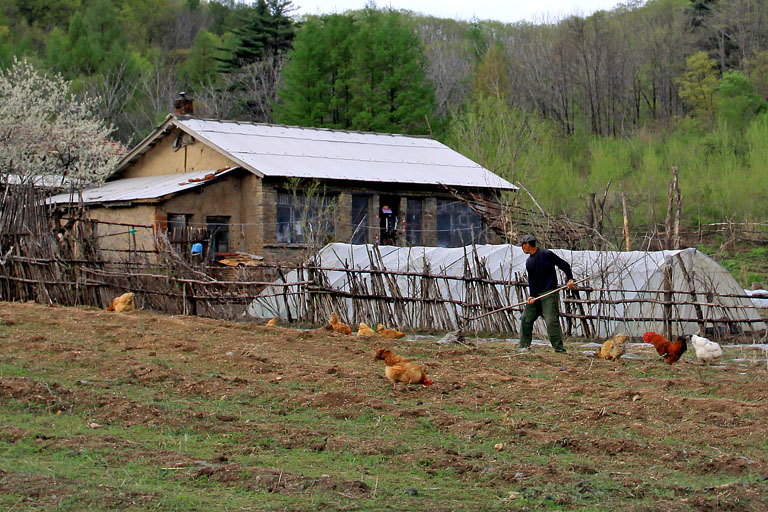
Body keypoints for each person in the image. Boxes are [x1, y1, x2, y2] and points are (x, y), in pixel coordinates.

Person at [518, 234, 575, 353]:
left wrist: (570, 279)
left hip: (549, 293)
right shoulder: (529, 262)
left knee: (551, 321)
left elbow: (564, 265)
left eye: (523, 245)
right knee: (526, 319)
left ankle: (559, 348)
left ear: (528, 244)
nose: (522, 248)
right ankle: (524, 346)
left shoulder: (546, 254)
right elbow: (531, 281)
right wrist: (532, 296)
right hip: (536, 295)